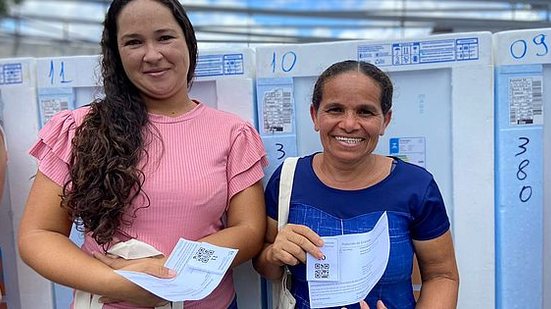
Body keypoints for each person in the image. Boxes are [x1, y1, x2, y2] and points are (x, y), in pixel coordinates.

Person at [18, 0, 267, 308]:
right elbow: (39, 235)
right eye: (134, 42)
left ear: (189, 42)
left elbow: (249, 230)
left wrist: (166, 272)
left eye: (165, 37)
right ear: (117, 54)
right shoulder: (78, 129)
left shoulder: (233, 133)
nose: (152, 54)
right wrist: (121, 283)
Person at [253, 60, 459, 309]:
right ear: (314, 115)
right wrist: (274, 254)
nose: (349, 124)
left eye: (365, 112)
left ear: (385, 121)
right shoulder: (288, 180)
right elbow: (266, 267)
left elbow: (441, 276)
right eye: (335, 109)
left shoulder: (416, 186)